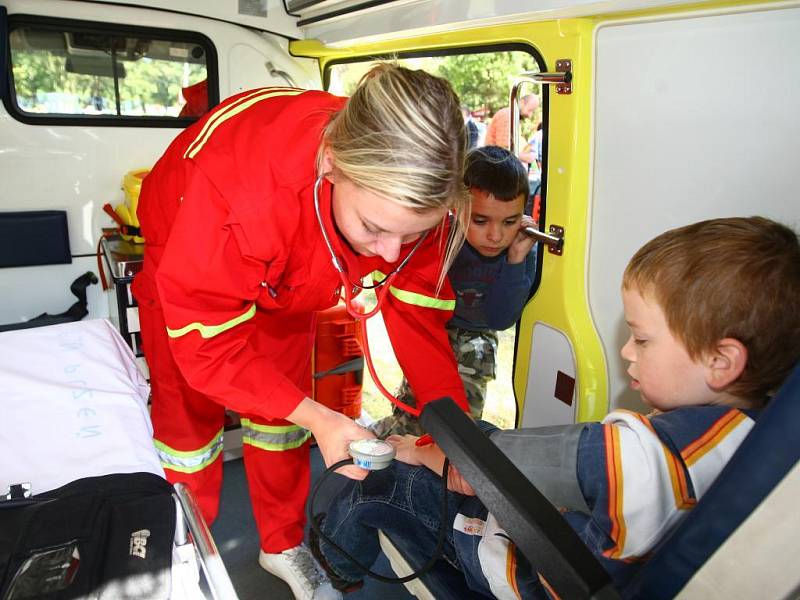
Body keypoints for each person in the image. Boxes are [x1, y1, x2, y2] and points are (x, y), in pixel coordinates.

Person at [312, 216, 800, 597]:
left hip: (518, 570)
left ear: (721, 361)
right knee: (474, 430)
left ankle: (338, 578)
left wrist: (412, 452)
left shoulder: (639, 452)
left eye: (643, 339)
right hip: (594, 547)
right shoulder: (751, 437)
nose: (627, 351)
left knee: (373, 484)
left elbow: (486, 467)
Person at [131, 64, 472, 600]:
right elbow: (209, 348)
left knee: (280, 424)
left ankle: (281, 543)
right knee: (187, 431)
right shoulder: (236, 195)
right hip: (188, 258)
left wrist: (458, 439)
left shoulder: (419, 188)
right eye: (375, 229)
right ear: (332, 164)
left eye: (413, 234)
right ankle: (181, 555)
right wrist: (320, 416)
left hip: (289, 279)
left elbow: (419, 321)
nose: (388, 255)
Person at [371, 146, 537, 437]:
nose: (495, 236)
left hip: (476, 344)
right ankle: (385, 437)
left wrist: (515, 261)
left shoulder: (518, 251)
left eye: (509, 222)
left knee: (456, 431)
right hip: (434, 332)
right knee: (413, 409)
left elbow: (500, 320)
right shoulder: (439, 235)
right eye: (480, 221)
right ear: (456, 207)